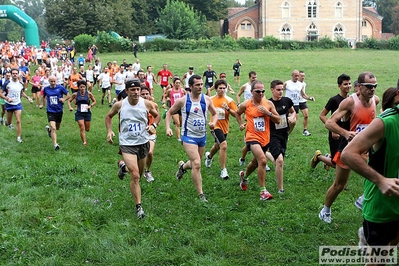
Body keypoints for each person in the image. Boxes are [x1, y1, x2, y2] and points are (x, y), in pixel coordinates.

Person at [318, 72, 380, 223]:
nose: (372, 90)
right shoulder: (349, 102)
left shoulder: (375, 100)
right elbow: (329, 123)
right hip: (349, 149)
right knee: (340, 185)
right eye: (369, 86)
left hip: (367, 147)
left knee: (379, 172)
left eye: (375, 86)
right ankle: (325, 210)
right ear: (359, 86)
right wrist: (345, 133)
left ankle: (364, 199)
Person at [341, 97, 399, 253]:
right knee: (379, 259)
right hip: (383, 206)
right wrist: (380, 181)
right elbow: (348, 154)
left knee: (391, 246)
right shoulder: (387, 122)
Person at [105, 78, 160, 219]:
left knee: (138, 175)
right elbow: (108, 116)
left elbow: (157, 115)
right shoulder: (119, 105)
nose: (136, 92)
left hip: (142, 143)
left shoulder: (146, 103)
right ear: (127, 91)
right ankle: (139, 208)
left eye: (138, 90)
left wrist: (153, 125)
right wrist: (109, 131)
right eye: (133, 90)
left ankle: (123, 168)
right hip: (127, 144)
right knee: (135, 175)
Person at [165, 74, 218, 202]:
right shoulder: (183, 100)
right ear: (190, 86)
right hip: (188, 136)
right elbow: (169, 112)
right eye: (197, 85)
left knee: (196, 162)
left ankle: (183, 167)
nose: (200, 87)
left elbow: (215, 113)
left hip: (202, 136)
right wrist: (168, 127)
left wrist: (214, 122)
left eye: (201, 84)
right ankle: (201, 195)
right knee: (197, 164)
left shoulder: (207, 99)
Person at [235, 80, 281, 200]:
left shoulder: (269, 104)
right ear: (251, 92)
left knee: (255, 163)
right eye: (258, 91)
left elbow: (278, 120)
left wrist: (268, 114)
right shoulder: (246, 104)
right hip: (251, 137)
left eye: (263, 91)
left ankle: (243, 176)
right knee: (263, 160)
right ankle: (263, 192)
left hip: (265, 138)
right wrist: (240, 124)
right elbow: (237, 113)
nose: (261, 93)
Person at [311, 74, 351, 171]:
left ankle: (329, 157)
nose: (348, 86)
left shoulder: (351, 100)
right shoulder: (334, 100)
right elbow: (322, 115)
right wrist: (333, 129)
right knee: (336, 163)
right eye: (345, 84)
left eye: (349, 83)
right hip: (335, 134)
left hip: (347, 133)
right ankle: (319, 157)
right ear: (339, 86)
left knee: (344, 159)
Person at [265, 80, 296, 193]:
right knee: (280, 161)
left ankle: (265, 153)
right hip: (273, 135)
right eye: (278, 90)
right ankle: (280, 189)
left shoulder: (287, 101)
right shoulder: (267, 103)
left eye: (282, 89)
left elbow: (293, 112)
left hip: (284, 134)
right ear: (272, 90)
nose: (280, 92)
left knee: (278, 161)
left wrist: (292, 117)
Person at [204, 79, 237, 179]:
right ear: (216, 89)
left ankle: (209, 157)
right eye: (220, 88)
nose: (222, 90)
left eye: (224, 88)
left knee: (217, 146)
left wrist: (228, 109)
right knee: (223, 145)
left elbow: (235, 115)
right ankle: (224, 170)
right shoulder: (210, 99)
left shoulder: (230, 100)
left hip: (224, 127)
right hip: (214, 126)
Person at [0, 68, 33, 142]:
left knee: (18, 120)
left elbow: (22, 93)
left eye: (16, 73)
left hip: (17, 103)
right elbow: (0, 93)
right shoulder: (7, 83)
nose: (15, 75)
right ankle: (8, 123)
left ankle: (18, 137)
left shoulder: (21, 84)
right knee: (9, 122)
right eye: (13, 73)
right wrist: (7, 98)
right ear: (11, 74)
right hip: (9, 104)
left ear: (18, 74)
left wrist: (28, 98)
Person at [41, 75, 70, 150]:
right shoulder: (46, 89)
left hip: (59, 110)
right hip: (50, 110)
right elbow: (43, 96)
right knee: (53, 127)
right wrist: (42, 104)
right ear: (49, 81)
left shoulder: (60, 87)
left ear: (56, 81)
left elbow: (68, 95)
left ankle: (49, 130)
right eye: (51, 81)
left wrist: (64, 99)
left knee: (57, 127)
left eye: (54, 81)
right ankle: (55, 145)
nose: (53, 83)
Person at [283, 69, 315, 136]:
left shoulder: (301, 84)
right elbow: (280, 90)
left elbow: (303, 95)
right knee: (289, 121)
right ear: (292, 75)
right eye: (295, 76)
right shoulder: (287, 83)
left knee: (294, 122)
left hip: (296, 105)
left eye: (298, 76)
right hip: (288, 105)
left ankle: (287, 134)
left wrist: (309, 98)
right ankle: (284, 133)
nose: (297, 77)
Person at [236, 71, 257, 166]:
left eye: (255, 77)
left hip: (255, 109)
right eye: (253, 77)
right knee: (249, 145)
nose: (254, 79)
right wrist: (239, 103)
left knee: (250, 145)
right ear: (249, 77)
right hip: (246, 109)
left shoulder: (257, 87)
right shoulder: (245, 86)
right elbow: (238, 94)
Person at [68, 80, 96, 146]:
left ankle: (84, 137)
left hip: (87, 113)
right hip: (79, 113)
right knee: (82, 127)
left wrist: (90, 106)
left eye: (84, 87)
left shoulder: (89, 94)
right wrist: (70, 107)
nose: (82, 88)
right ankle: (84, 142)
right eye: (81, 87)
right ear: (78, 87)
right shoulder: (75, 94)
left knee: (87, 129)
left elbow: (94, 101)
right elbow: (69, 101)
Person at [140, 85, 158, 182]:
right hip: (138, 134)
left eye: (147, 94)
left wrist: (153, 126)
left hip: (151, 133)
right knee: (140, 155)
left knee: (150, 152)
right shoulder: (134, 105)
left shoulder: (153, 105)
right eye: (143, 94)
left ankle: (147, 171)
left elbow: (157, 117)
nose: (145, 96)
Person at [164, 77, 185, 141]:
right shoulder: (170, 91)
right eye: (177, 83)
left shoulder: (182, 90)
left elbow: (187, 96)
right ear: (173, 84)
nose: (178, 84)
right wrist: (166, 102)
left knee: (181, 124)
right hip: (173, 108)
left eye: (179, 83)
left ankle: (175, 121)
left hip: (181, 108)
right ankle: (179, 138)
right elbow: (165, 96)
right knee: (178, 123)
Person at [297, 71, 315, 136]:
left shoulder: (304, 84)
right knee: (293, 118)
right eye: (301, 76)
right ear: (298, 76)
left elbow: (303, 94)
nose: (303, 77)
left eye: (304, 76)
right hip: (295, 102)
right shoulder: (295, 83)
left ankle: (305, 130)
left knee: (306, 115)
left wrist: (309, 98)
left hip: (302, 101)